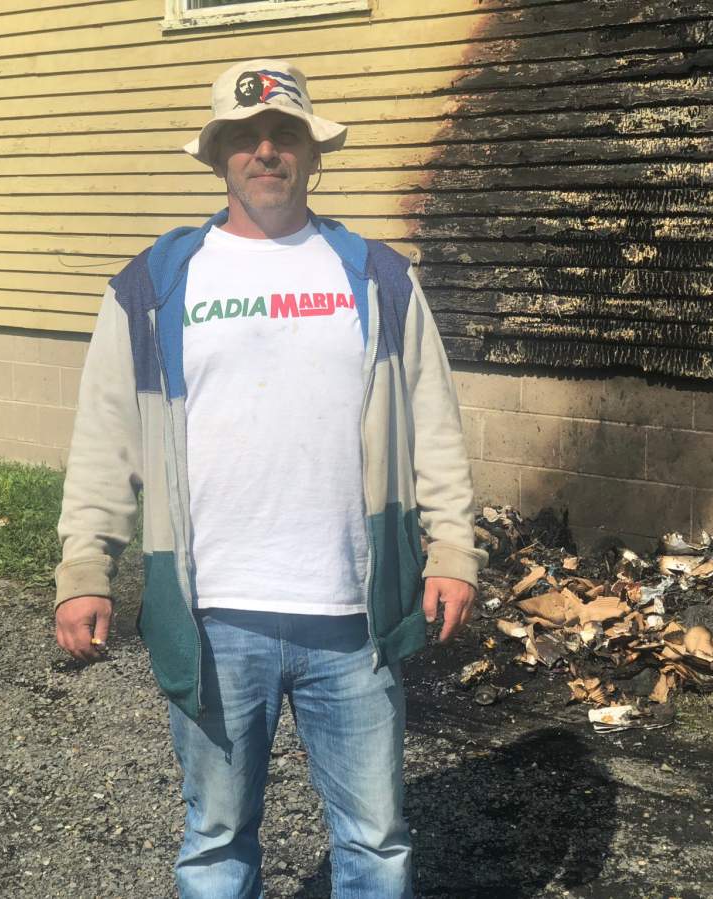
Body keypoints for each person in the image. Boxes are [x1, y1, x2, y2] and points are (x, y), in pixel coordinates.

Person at [52, 58, 485, 898]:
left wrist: (452, 549)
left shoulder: (379, 278)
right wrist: (84, 569)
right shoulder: (155, 284)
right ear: (217, 156)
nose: (265, 152)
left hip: (353, 618)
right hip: (216, 616)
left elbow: (434, 421)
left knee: (376, 840)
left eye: (284, 135)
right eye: (243, 139)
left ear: (312, 153)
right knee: (215, 839)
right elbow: (104, 438)